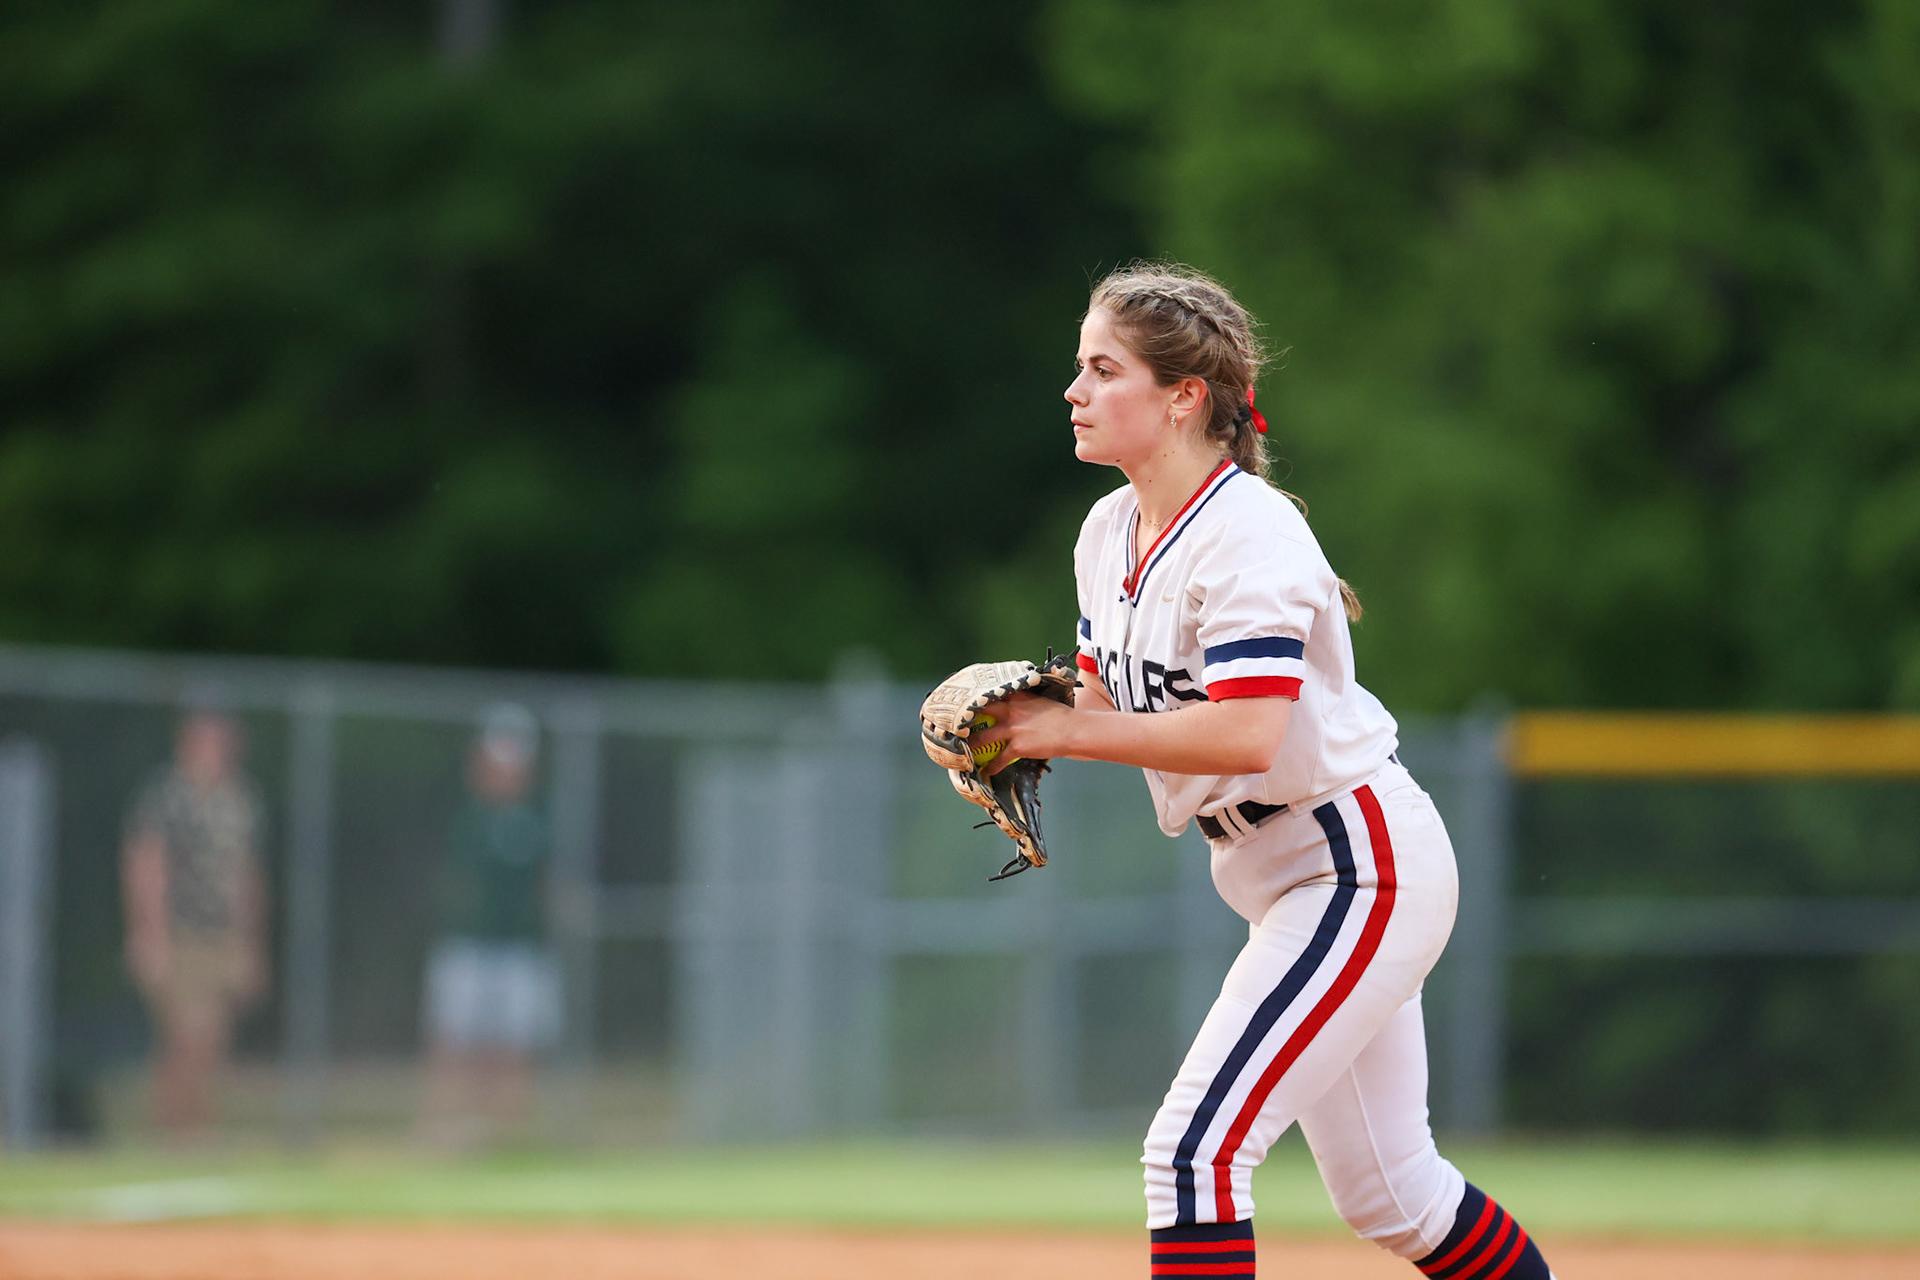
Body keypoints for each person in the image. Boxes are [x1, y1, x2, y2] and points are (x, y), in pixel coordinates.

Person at [971, 263, 1556, 1279]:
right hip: (1279, 869)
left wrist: (1058, 734)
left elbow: (1245, 734)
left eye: (1104, 369)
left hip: (1355, 860)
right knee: (1390, 1190)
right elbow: (1131, 708)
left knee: (1193, 1153)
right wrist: (1043, 715)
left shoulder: (1251, 532)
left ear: (1184, 394)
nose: (1075, 390)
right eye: (1080, 367)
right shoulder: (1107, 530)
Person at [121, 705, 269, 1139]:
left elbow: (249, 879)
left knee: (213, 1042)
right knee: (186, 1034)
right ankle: (173, 1129)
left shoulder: (241, 799)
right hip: (179, 933)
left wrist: (250, 943)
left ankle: (197, 1129)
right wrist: (149, 934)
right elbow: (145, 866)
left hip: (220, 936)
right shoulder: (166, 795)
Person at [418, 703, 558, 1146]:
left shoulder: (537, 823)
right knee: (454, 1042)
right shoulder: (465, 820)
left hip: (519, 950)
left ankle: (505, 1136)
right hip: (468, 947)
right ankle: (446, 1132)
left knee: (514, 1046)